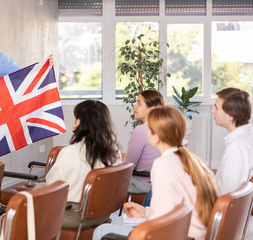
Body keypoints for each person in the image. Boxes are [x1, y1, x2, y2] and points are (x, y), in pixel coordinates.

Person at [93, 106, 218, 240]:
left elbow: (161, 223)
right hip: (194, 232)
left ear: (156, 137)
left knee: (101, 230)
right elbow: (171, 209)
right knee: (118, 222)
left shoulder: (163, 164)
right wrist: (145, 211)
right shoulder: (194, 161)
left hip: (179, 235)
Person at [43, 100, 122, 228]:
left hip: (74, 215)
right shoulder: (114, 152)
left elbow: (52, 184)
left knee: (33, 196)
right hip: (102, 214)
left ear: (79, 121)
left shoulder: (70, 152)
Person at [211, 87, 253, 195]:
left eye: (216, 108)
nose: (212, 111)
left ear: (230, 115)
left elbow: (227, 195)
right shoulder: (247, 136)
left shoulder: (237, 147)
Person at [124, 90, 164, 194]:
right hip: (159, 181)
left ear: (151, 109)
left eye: (139, 103)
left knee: (103, 182)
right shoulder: (165, 127)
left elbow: (129, 165)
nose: (135, 106)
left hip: (143, 183)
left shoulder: (141, 130)